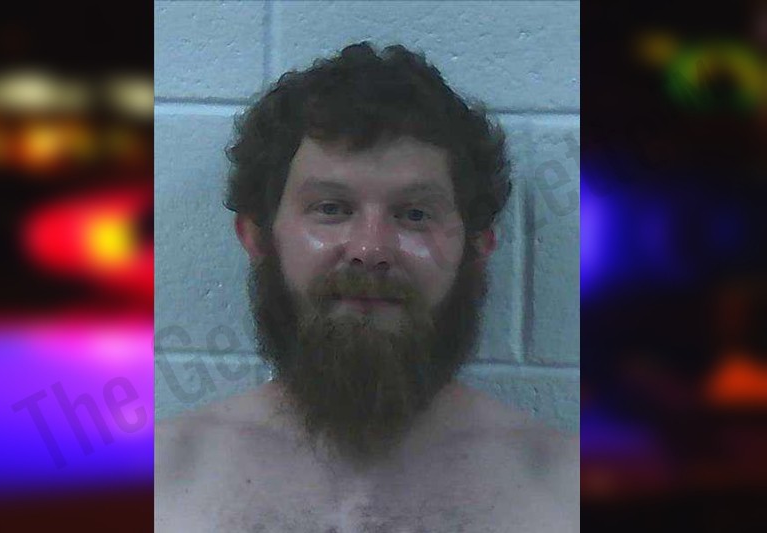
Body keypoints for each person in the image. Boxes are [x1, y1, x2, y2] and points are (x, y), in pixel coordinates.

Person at [156, 42, 578, 532]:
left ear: (477, 248)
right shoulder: (158, 482)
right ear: (258, 237)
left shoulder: (565, 491)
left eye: (414, 214)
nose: (370, 249)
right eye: (331, 209)